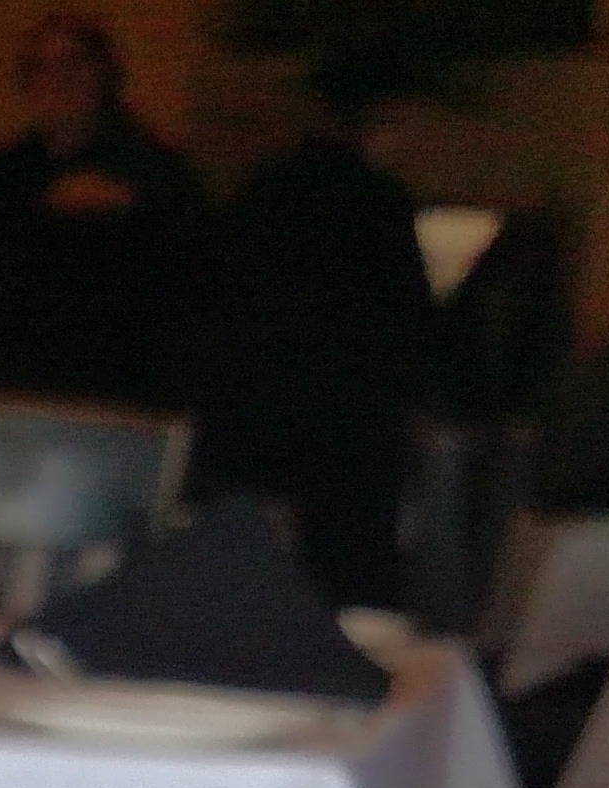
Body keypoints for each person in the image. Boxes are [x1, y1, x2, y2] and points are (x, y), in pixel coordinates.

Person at [189, 92, 445, 609]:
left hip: (250, 410)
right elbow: (406, 317)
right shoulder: (379, 200)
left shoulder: (262, 188)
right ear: (385, 123)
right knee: (344, 575)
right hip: (346, 421)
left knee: (242, 571)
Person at [0, 16, 206, 408]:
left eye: (73, 65)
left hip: (113, 388)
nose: (57, 80)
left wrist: (131, 208)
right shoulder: (5, 172)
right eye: (41, 69)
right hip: (7, 382)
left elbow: (185, 275)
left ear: (103, 74)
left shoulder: (152, 170)